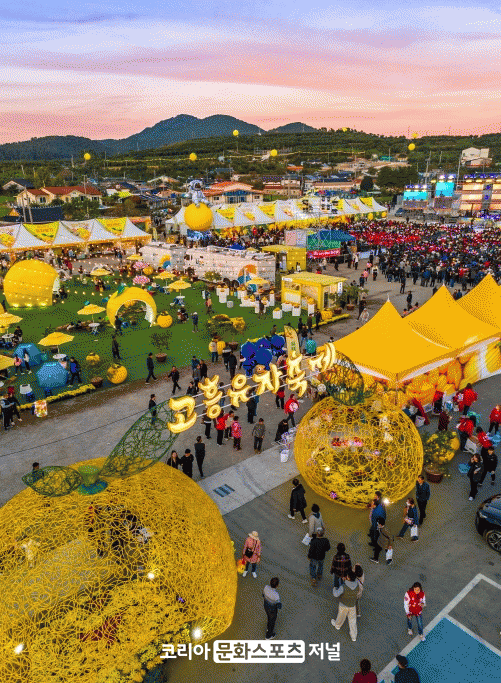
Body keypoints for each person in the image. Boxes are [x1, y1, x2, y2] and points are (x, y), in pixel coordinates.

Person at [331, 568, 359, 642]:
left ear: (348, 578)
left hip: (343, 604)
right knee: (352, 621)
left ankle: (337, 625)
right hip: (352, 605)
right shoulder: (357, 585)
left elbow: (336, 594)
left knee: (341, 616)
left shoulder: (343, 587)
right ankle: (353, 636)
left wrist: (334, 588)